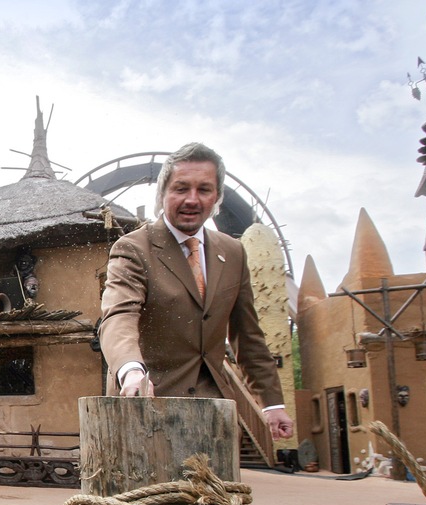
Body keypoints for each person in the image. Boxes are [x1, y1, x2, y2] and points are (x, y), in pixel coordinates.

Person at [99, 142, 294, 441]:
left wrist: (272, 403)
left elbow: (248, 335)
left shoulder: (234, 252)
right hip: (146, 405)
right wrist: (131, 370)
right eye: (181, 188)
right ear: (163, 193)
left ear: (217, 196)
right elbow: (119, 315)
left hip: (213, 411)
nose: (192, 199)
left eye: (204, 189)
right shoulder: (133, 248)